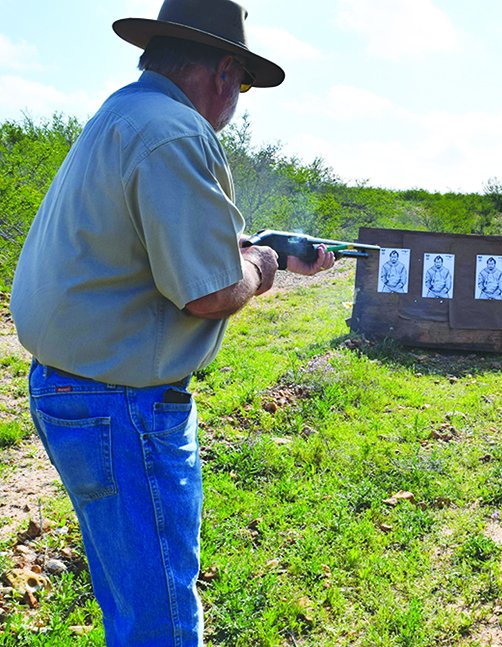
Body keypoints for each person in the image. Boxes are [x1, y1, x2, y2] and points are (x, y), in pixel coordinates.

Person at [9, 1, 334, 644]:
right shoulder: (178, 134)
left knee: (133, 602)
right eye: (240, 86)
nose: (236, 101)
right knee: (158, 619)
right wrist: (267, 263)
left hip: (75, 389)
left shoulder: (125, 112)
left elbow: (153, 251)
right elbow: (209, 293)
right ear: (221, 72)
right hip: (122, 405)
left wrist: (247, 252)